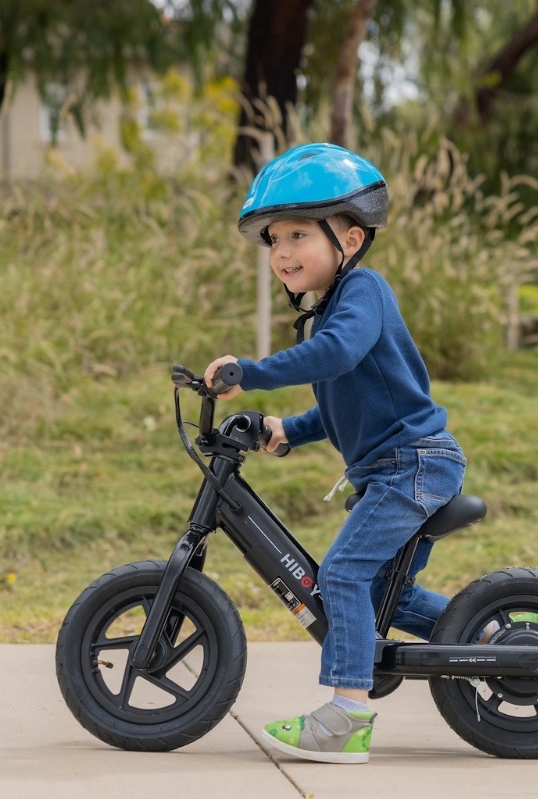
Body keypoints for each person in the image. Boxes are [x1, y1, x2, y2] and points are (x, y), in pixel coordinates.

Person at [204, 143, 466, 765]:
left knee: (343, 575)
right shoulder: (330, 314)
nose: (283, 252)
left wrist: (255, 372)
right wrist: (290, 430)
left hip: (414, 465)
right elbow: (351, 400)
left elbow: (337, 357)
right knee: (385, 600)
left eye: (298, 234)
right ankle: (485, 634)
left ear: (349, 241)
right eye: (273, 240)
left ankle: (347, 717)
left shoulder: (363, 294)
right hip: (398, 466)